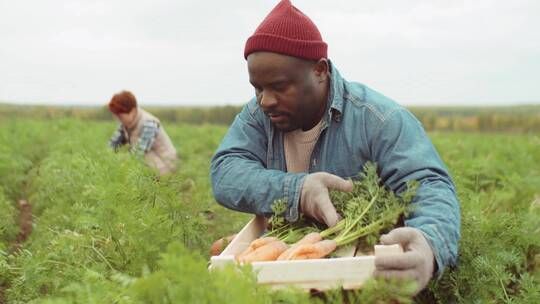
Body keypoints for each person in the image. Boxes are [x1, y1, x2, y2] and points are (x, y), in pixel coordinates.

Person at [210, 0, 460, 294]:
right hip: (287, 250)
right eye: (258, 88)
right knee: (220, 251)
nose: (265, 100)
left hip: (359, 264)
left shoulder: (379, 119)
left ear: (319, 71)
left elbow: (429, 184)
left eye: (279, 86)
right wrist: (298, 191)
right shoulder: (259, 115)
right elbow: (226, 172)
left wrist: (428, 243)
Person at [108, 90, 178, 176]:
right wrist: (107, 161)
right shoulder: (124, 124)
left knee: (141, 156)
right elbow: (112, 146)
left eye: (121, 116)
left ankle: (160, 185)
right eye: (116, 116)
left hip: (167, 166)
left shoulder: (149, 123)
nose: (118, 119)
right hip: (151, 166)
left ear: (133, 111)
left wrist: (121, 166)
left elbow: (138, 152)